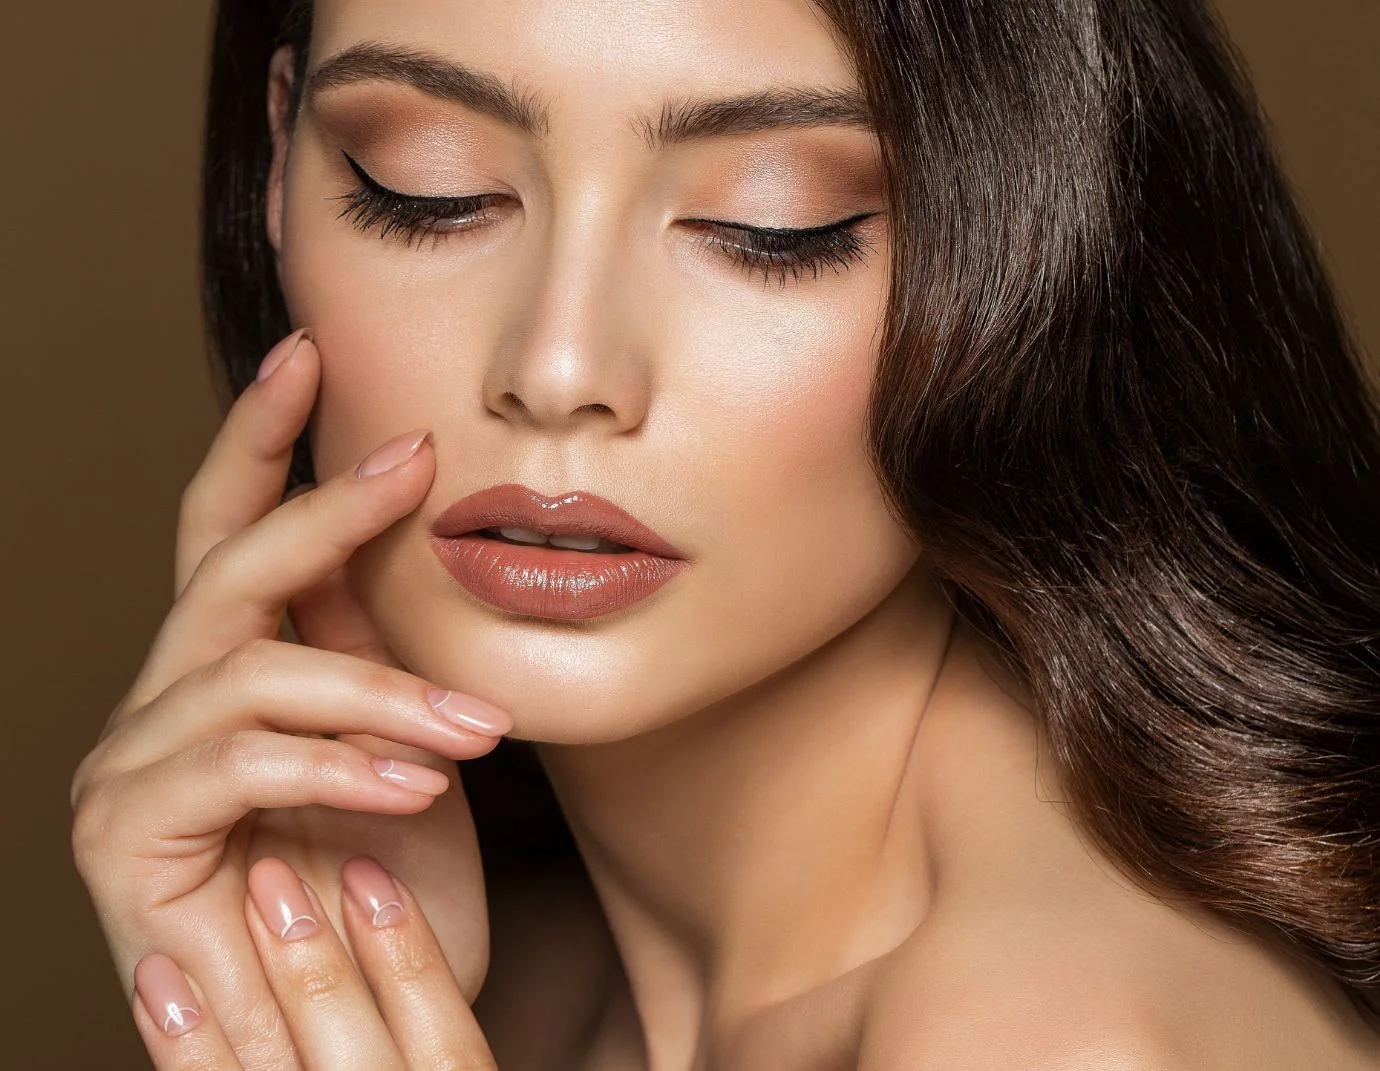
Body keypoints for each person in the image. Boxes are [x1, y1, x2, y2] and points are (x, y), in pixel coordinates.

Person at [70, 0, 1380, 1067]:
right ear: (282, 162)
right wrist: (270, 982)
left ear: (1028, 254)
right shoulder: (488, 975)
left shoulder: (1057, 1036)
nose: (560, 363)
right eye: (427, 189)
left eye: (772, 222)